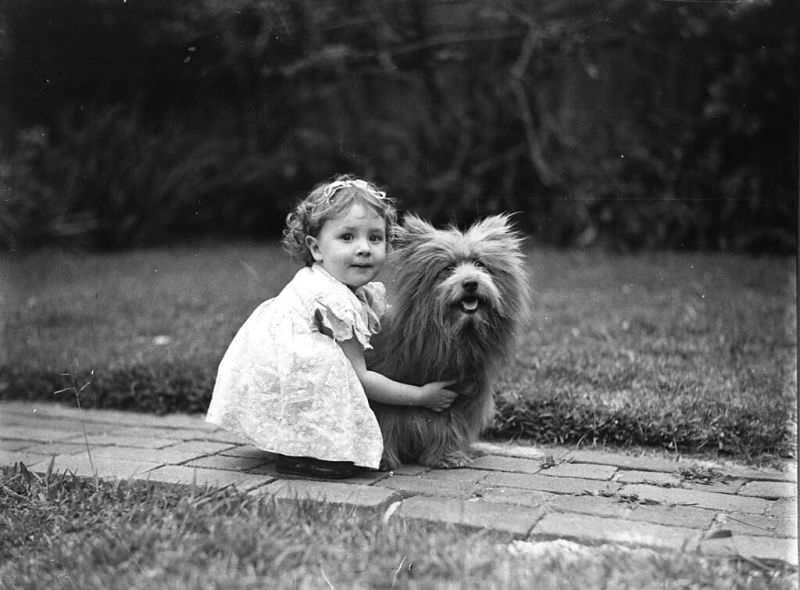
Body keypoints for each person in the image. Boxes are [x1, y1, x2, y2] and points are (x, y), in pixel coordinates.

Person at [206, 175, 458, 478]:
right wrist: (420, 396)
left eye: (375, 238)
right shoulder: (333, 301)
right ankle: (307, 453)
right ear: (315, 248)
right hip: (291, 364)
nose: (364, 248)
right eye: (348, 237)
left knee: (322, 374)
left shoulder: (338, 287)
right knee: (331, 375)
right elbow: (361, 378)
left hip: (276, 360)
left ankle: (299, 445)